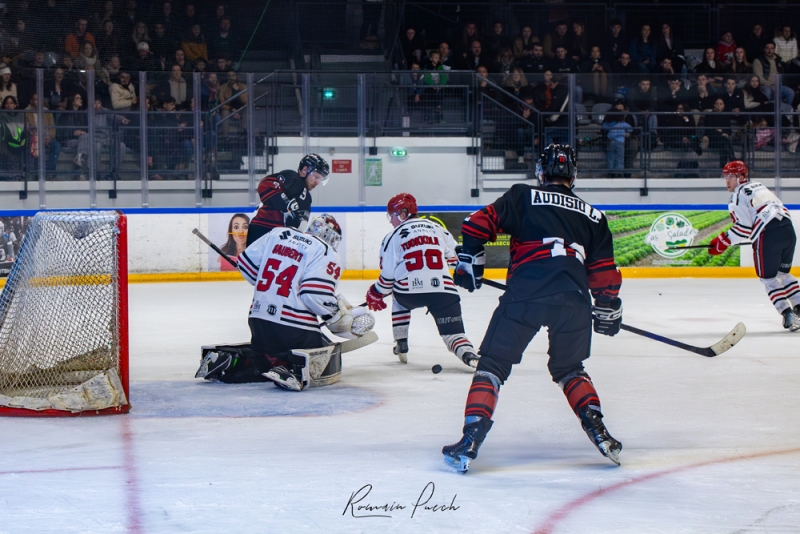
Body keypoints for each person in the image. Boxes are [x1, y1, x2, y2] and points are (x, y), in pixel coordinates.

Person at [442, 144, 623, 473]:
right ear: (574, 176)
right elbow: (605, 274)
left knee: (492, 366)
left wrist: (471, 260)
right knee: (570, 369)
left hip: (526, 294)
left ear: (541, 173)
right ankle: (601, 433)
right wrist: (608, 305)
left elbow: (475, 225)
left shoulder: (523, 196)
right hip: (574, 300)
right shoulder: (595, 215)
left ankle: (470, 440)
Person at [196, 214, 375, 391]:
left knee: (266, 353)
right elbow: (313, 295)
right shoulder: (326, 251)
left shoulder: (278, 234)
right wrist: (336, 316)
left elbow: (248, 269)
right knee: (324, 349)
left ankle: (230, 360)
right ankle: (293, 369)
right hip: (293, 328)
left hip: (258, 322)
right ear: (333, 238)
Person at [364, 193, 478, 368]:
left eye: (392, 216)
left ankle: (401, 341)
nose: (390, 221)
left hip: (409, 294)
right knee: (454, 334)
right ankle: (468, 354)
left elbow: (388, 279)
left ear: (402, 214)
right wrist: (463, 272)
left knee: (397, 293)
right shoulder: (436, 227)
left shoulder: (392, 237)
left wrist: (375, 293)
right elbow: (457, 257)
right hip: (444, 292)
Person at [709, 160, 800, 330]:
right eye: (725, 176)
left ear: (742, 176)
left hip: (768, 236)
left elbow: (744, 228)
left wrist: (723, 241)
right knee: (783, 274)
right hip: (788, 230)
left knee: (768, 279)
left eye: (731, 176)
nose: (727, 181)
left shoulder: (737, 195)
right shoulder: (759, 186)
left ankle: (788, 314)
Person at [247, 153, 330, 245]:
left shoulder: (308, 198)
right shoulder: (293, 178)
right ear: (304, 170)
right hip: (263, 232)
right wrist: (285, 205)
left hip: (280, 240)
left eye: (321, 179)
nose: (318, 182)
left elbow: (298, 226)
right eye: (316, 177)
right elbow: (265, 184)